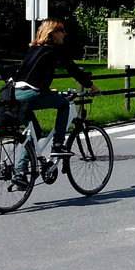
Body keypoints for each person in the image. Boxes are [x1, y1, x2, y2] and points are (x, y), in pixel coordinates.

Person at [10, 18, 101, 188]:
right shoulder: (54, 50)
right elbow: (73, 69)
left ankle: (20, 172)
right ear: (53, 34)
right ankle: (58, 145)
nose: (65, 34)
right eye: (62, 31)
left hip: (15, 94)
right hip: (30, 94)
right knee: (64, 104)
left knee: (33, 131)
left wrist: (44, 90)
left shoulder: (34, 48)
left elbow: (31, 74)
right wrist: (92, 86)